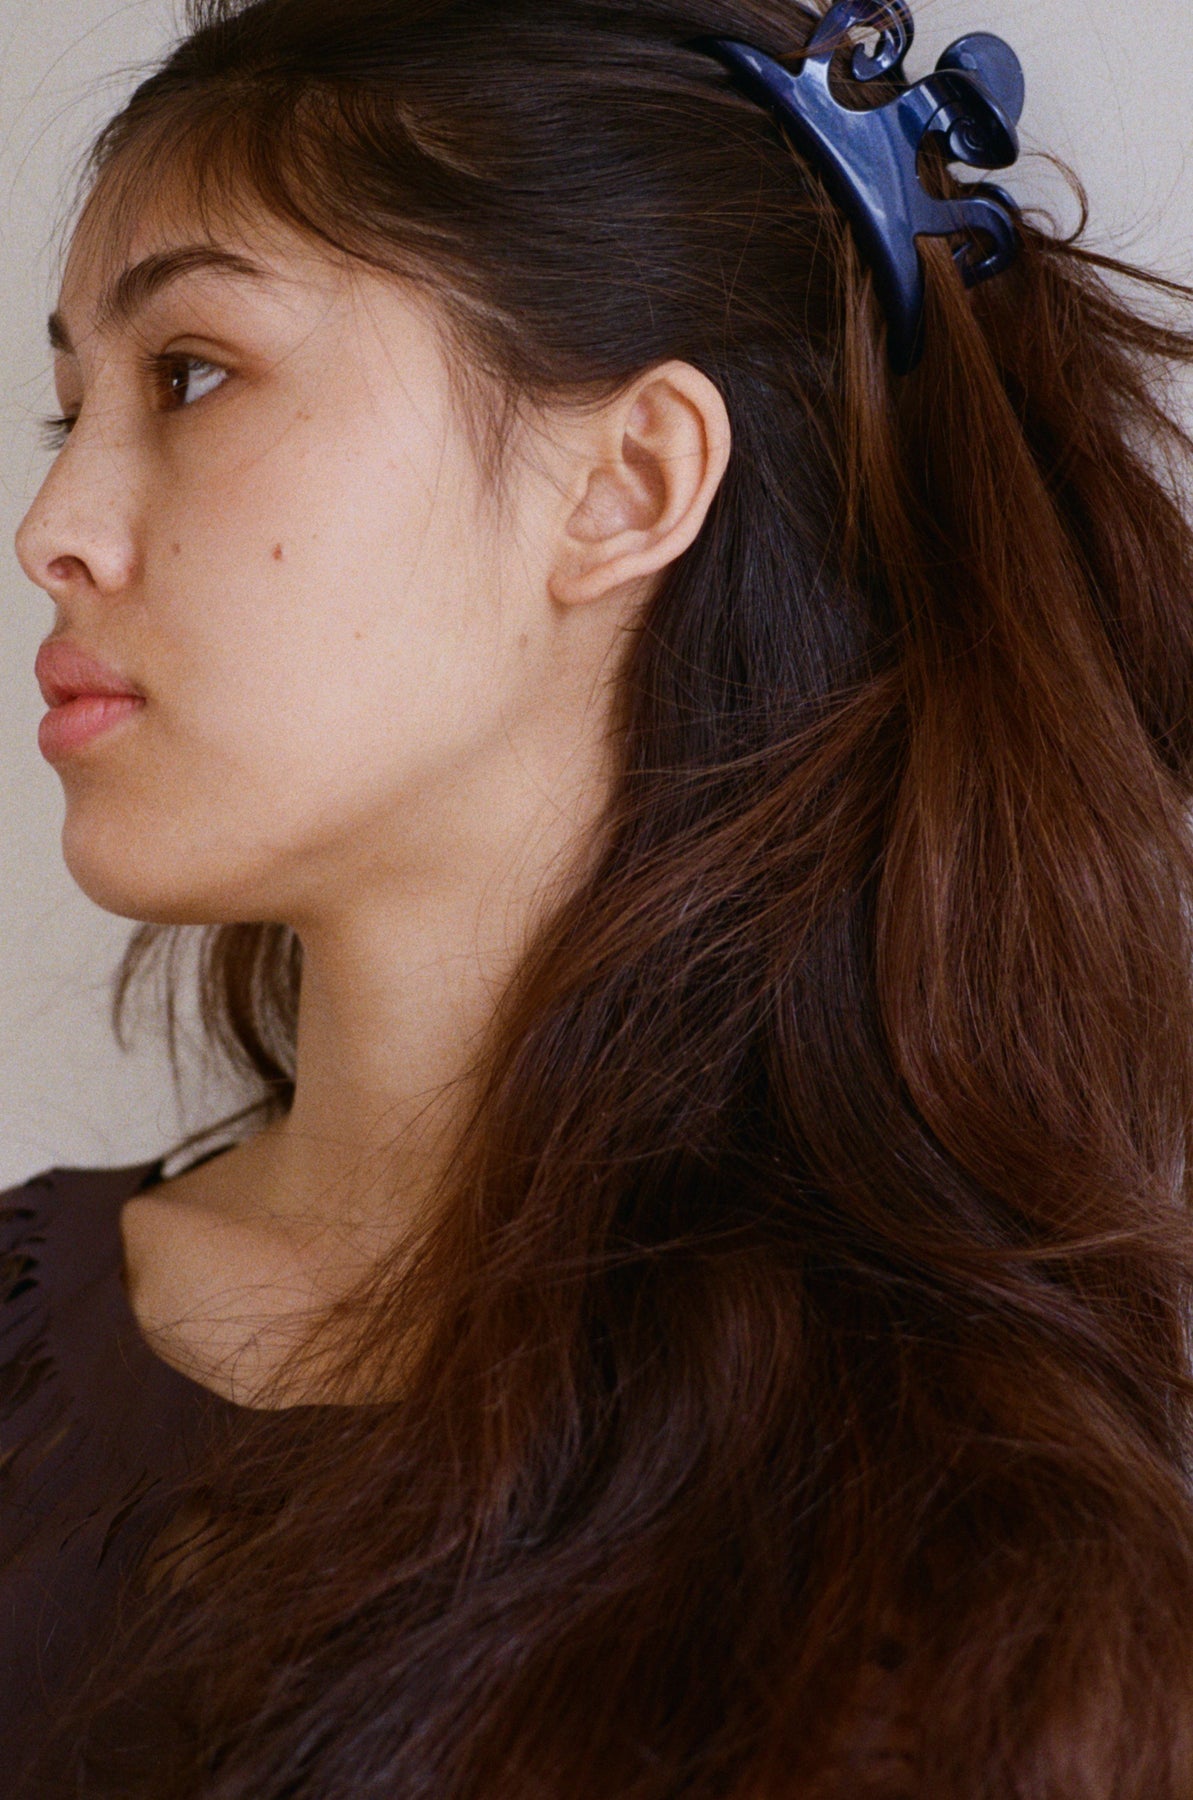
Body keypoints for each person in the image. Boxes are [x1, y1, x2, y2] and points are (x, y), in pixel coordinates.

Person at [5, 0, 1193, 1792]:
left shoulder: (955, 1574)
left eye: (188, 373)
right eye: (67, 406)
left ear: (626, 485)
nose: (53, 527)